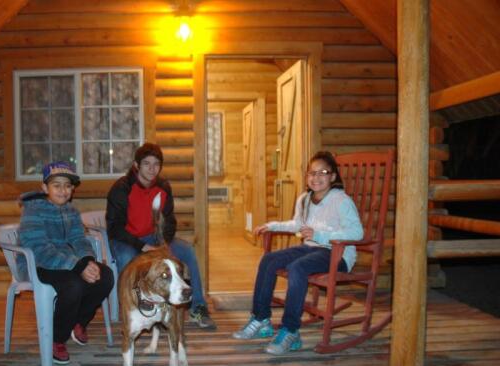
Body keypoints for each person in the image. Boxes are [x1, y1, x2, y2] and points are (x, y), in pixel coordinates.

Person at [232, 151, 363, 354]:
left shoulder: (341, 200)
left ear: (333, 177)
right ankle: (261, 319)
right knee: (269, 260)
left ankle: (291, 330)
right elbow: (297, 225)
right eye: (312, 173)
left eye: (323, 172)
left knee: (297, 268)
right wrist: (272, 226)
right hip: (311, 248)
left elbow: (357, 233)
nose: (316, 177)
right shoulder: (305, 199)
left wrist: (319, 235)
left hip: (337, 254)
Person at [106, 142, 217, 330]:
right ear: (136, 165)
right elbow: (114, 227)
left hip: (154, 238)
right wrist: (142, 246)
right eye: (147, 164)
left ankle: (198, 307)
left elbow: (170, 221)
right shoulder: (121, 189)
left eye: (156, 164)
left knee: (188, 251)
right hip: (127, 239)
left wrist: (163, 242)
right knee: (127, 259)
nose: (152, 168)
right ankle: (132, 309)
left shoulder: (164, 187)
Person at [19, 161, 114, 365]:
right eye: (56, 185)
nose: (63, 190)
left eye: (67, 186)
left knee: (105, 276)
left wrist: (88, 261)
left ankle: (78, 321)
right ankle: (57, 338)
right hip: (37, 264)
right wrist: (78, 266)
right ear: (45, 187)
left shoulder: (71, 212)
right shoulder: (33, 211)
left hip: (65, 262)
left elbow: (80, 240)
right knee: (73, 285)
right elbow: (40, 250)